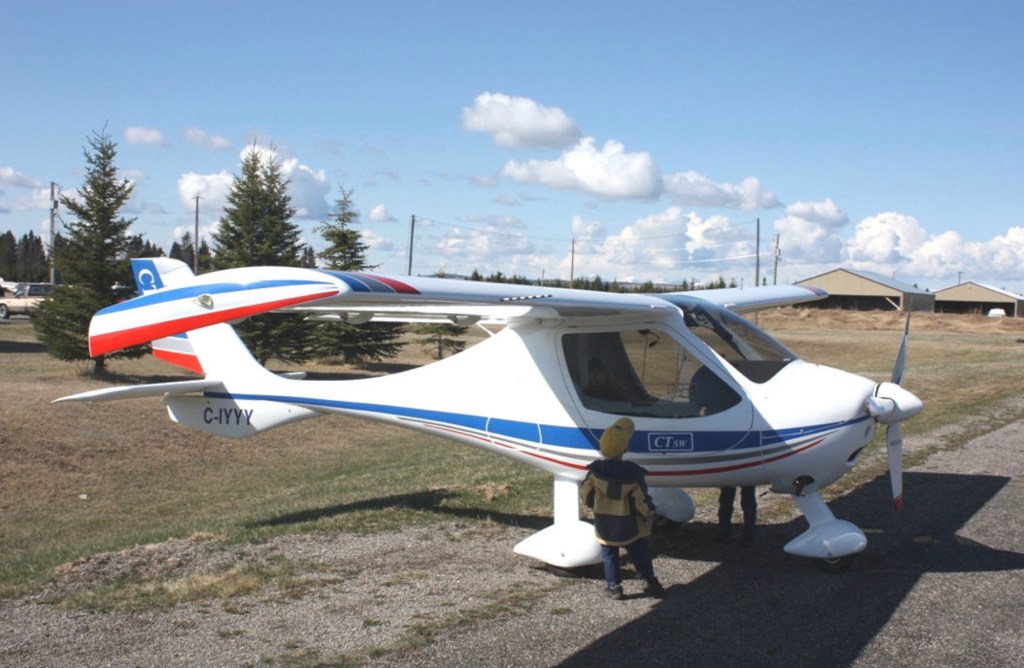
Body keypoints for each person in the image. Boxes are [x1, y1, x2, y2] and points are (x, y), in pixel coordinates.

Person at [580, 417, 665, 600]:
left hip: (605, 522)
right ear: (625, 449)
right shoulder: (633, 473)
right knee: (640, 551)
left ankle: (614, 587)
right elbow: (640, 500)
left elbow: (585, 493)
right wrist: (649, 515)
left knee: (609, 554)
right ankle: (650, 581)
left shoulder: (595, 472)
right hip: (629, 523)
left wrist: (592, 504)